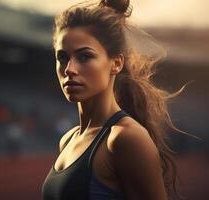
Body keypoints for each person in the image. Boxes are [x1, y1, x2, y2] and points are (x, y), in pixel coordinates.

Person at [41, 0, 196, 199]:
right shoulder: (67, 140)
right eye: (62, 57)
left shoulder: (125, 139)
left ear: (116, 63)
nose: (69, 69)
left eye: (85, 56)